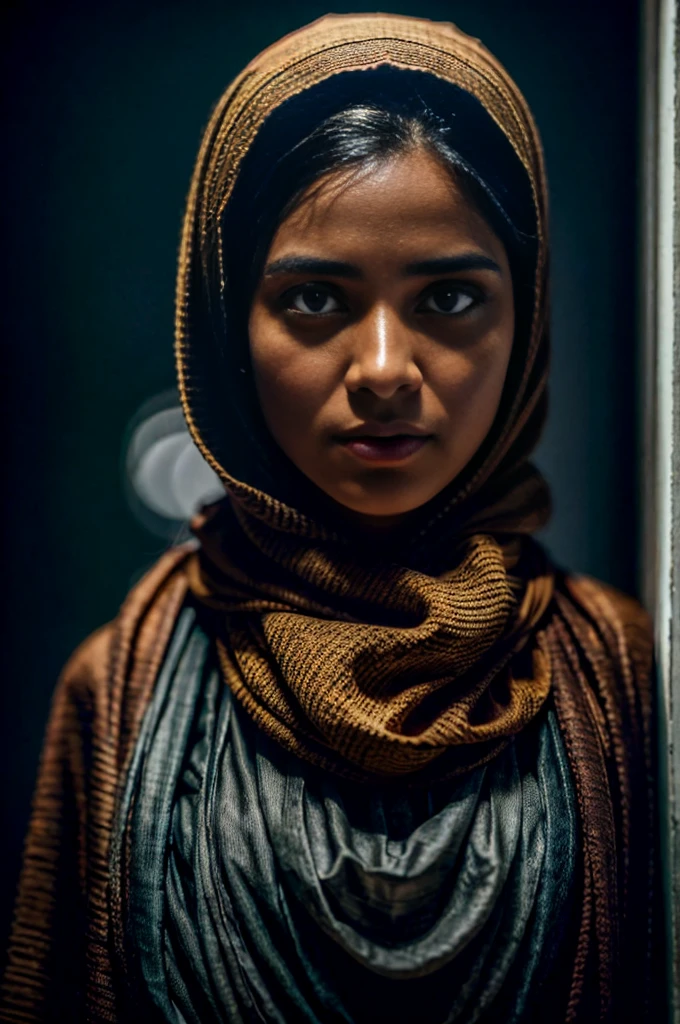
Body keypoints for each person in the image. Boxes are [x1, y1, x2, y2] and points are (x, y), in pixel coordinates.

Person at [2, 13, 658, 1024]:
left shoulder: (614, 668)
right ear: (229, 321)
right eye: (313, 300)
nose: (385, 369)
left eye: (447, 298)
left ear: (523, 319)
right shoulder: (120, 683)